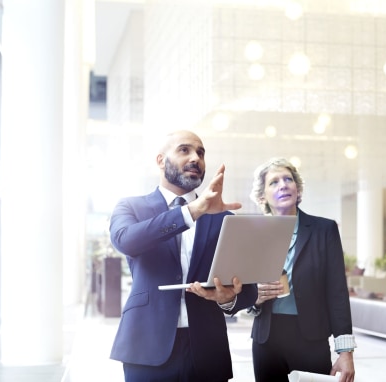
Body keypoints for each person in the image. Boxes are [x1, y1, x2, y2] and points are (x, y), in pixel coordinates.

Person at [108, 130, 258, 382]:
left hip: (206, 351)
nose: (195, 158)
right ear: (160, 161)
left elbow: (249, 290)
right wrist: (192, 211)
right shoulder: (131, 207)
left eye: (200, 152)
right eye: (184, 150)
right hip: (146, 346)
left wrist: (227, 299)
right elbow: (126, 241)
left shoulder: (223, 219)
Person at [246, 157, 356, 382]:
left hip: (311, 338)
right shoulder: (254, 233)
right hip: (266, 340)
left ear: (297, 188)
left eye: (288, 179)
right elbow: (243, 291)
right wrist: (253, 297)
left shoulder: (324, 230)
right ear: (262, 196)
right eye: (274, 182)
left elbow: (337, 293)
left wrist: (345, 352)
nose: (283, 185)